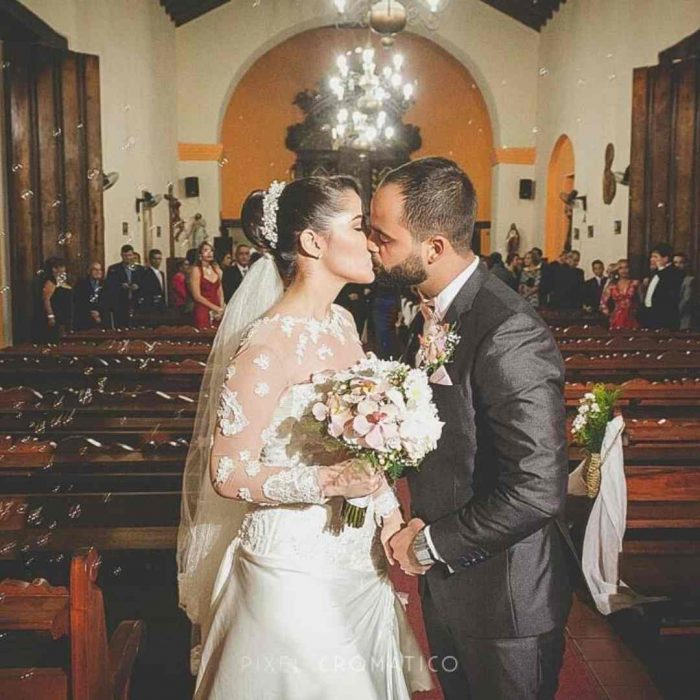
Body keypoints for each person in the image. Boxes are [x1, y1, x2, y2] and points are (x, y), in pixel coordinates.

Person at [177, 177, 431, 699]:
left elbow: (361, 440)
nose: (373, 240)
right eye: (360, 226)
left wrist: (388, 514)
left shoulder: (341, 321)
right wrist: (328, 480)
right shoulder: (267, 342)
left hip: (357, 561)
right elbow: (228, 472)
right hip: (289, 571)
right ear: (313, 242)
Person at [370, 157, 572, 700]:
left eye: (382, 236)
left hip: (505, 599)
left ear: (433, 248)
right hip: (455, 586)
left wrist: (432, 544)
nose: (372, 246)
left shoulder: (508, 330)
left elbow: (537, 488)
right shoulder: (437, 311)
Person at [640, 242, 684, 330]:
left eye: (655, 257)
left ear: (665, 258)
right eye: (652, 257)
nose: (651, 259)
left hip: (664, 319)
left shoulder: (673, 273)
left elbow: (670, 298)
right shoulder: (656, 273)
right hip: (650, 317)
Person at [104, 244, 144, 328]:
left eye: (129, 255)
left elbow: (146, 285)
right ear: (121, 255)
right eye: (125, 256)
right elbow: (109, 286)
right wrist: (121, 286)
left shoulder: (140, 269)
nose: (128, 258)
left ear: (133, 255)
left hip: (136, 303)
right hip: (120, 304)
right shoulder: (113, 269)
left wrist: (138, 286)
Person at [34, 257, 73, 343]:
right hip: (57, 314)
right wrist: (50, 316)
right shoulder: (50, 282)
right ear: (54, 269)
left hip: (65, 314)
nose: (64, 269)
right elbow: (46, 300)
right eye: (61, 267)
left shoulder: (61, 281)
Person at [189, 241, 224, 330]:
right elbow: (197, 296)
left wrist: (221, 306)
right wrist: (214, 308)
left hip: (218, 309)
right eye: (205, 250)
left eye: (211, 250)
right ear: (200, 254)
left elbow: (220, 290)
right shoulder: (196, 270)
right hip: (203, 308)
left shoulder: (216, 269)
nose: (209, 253)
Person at [600, 259, 641, 330]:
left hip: (632, 317)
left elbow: (642, 300)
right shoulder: (612, 285)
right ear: (617, 270)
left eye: (626, 267)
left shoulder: (635, 283)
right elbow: (603, 302)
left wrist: (636, 311)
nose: (624, 270)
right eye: (621, 268)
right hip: (616, 318)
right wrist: (608, 313)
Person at [73, 261, 105, 330]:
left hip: (101, 317)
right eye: (95, 270)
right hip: (84, 317)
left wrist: (99, 312)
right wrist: (90, 312)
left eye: (100, 270)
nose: (98, 272)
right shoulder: (81, 284)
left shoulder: (105, 284)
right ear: (89, 271)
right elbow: (78, 301)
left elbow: (107, 301)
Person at [674, 252, 695, 330]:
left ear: (686, 264)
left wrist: (674, 312)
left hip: (684, 318)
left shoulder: (689, 280)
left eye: (681, 263)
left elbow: (687, 299)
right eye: (675, 263)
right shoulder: (672, 279)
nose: (678, 265)